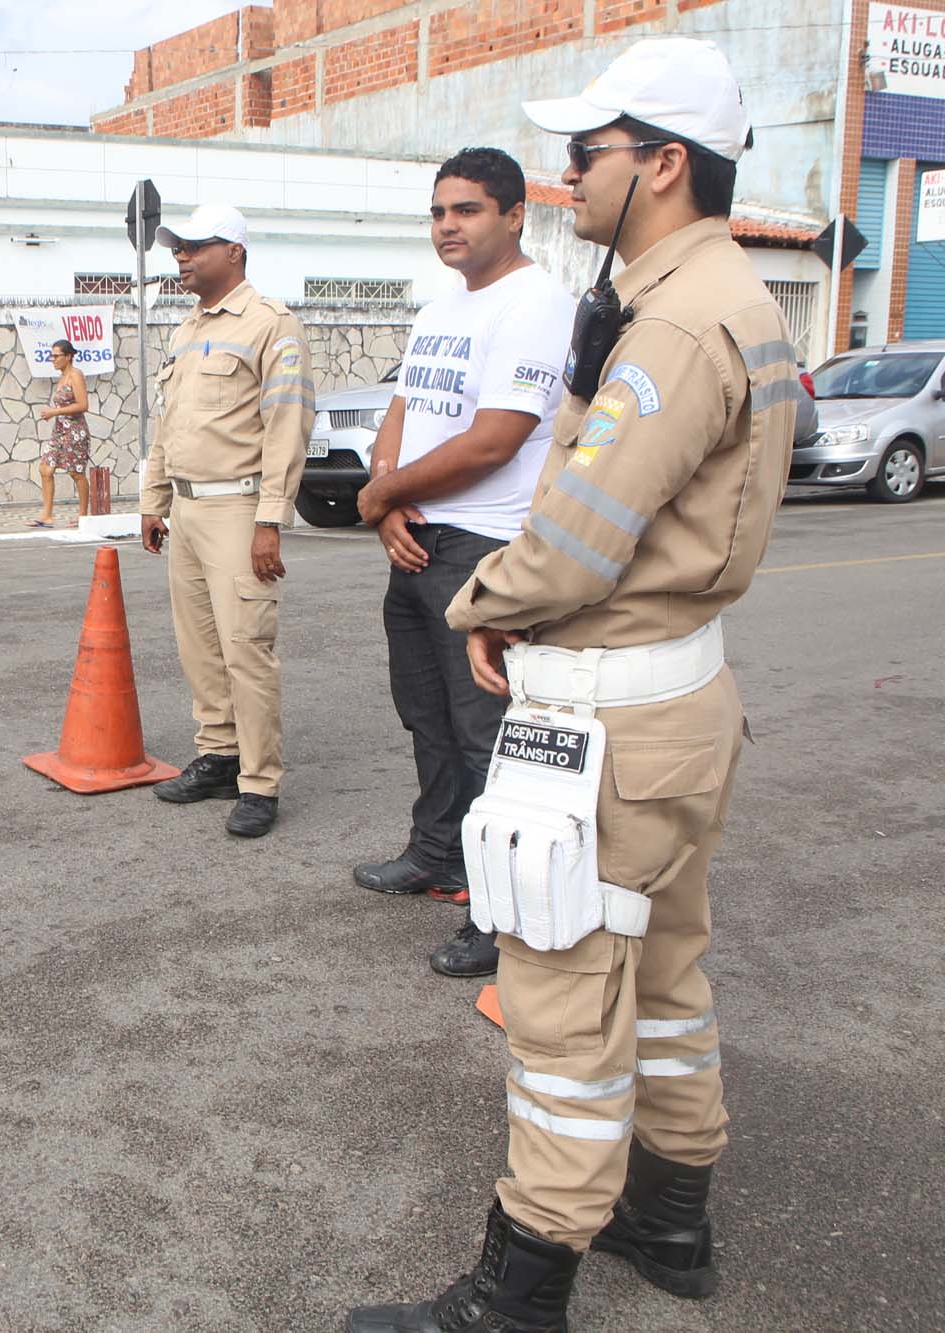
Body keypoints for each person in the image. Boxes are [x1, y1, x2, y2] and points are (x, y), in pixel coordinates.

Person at [346, 38, 798, 1332]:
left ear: (661, 164)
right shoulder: (736, 297)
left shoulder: (672, 321)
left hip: (608, 717)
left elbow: (585, 532)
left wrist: (487, 602)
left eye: (586, 155)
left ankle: (522, 1281)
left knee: (559, 1001)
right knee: (663, 979)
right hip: (684, 702)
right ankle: (670, 1217)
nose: (567, 175)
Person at [350, 148, 575, 981]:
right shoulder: (443, 305)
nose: (449, 225)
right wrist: (388, 498)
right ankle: (436, 853)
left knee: (488, 737)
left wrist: (384, 499)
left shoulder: (536, 305)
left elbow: (495, 440)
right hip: (418, 537)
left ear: (515, 215)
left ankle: (496, 909)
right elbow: (405, 412)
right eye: (440, 211)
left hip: (486, 547)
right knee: (427, 717)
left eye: (468, 210)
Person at [139, 204, 314, 839]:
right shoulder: (187, 330)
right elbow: (170, 425)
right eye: (176, 248)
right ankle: (218, 754)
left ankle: (260, 782)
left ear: (233, 251)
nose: (181, 258)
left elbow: (286, 427)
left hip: (239, 509)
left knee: (247, 651)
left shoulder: (271, 325)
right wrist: (154, 501)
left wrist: (271, 519)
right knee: (201, 649)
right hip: (186, 509)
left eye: (193, 247)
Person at [30, 339, 90, 527]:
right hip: (60, 431)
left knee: (76, 472)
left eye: (57, 356)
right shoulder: (62, 376)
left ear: (69, 356)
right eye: (52, 355)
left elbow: (82, 405)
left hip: (75, 431)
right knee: (45, 468)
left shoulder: (75, 375)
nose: (53, 359)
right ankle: (47, 515)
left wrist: (54, 412)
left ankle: (83, 515)